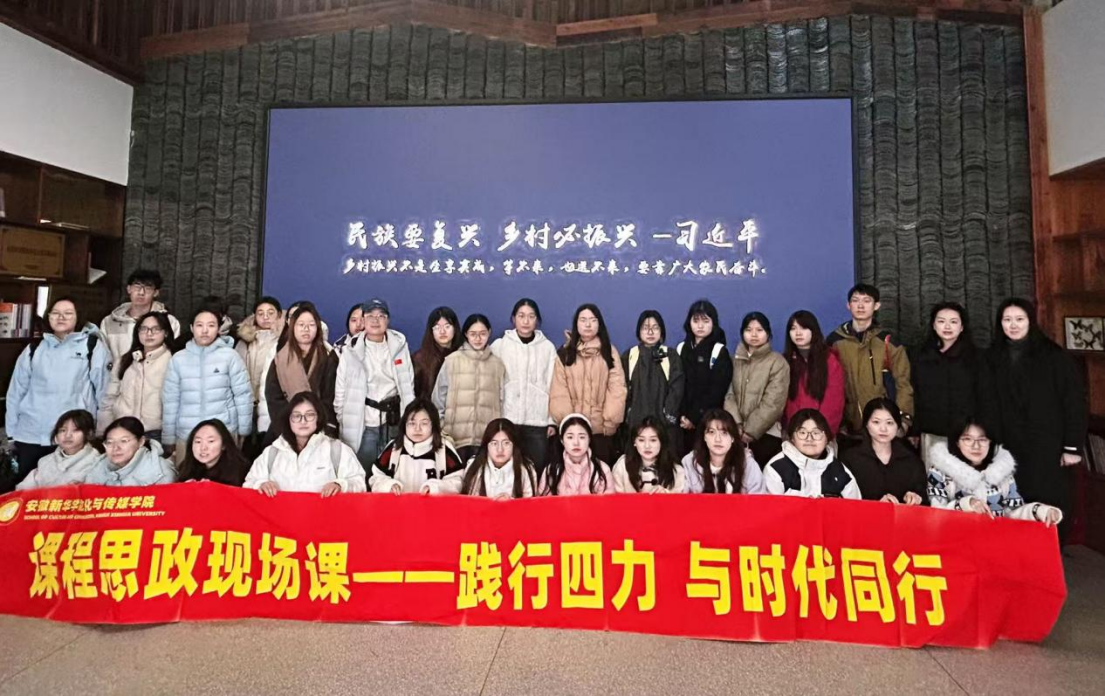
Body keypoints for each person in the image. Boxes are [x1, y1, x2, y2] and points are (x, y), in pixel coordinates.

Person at [978, 298, 1087, 537]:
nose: (1013, 325)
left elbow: (1073, 402)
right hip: (1006, 443)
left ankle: (1051, 550)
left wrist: (1072, 446)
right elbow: (984, 401)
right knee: (1012, 499)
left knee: (1048, 497)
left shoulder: (1053, 355)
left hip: (1046, 443)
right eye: (1007, 320)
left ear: (1030, 321)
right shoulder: (991, 356)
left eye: (1019, 319)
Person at [5, 297, 111, 482]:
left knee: (65, 492)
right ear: (48, 317)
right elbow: (16, 392)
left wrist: (100, 430)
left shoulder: (92, 347)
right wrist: (12, 432)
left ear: (78, 317)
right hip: (31, 433)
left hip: (72, 435)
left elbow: (104, 392)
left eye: (68, 313)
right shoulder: (34, 348)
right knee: (28, 489)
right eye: (55, 313)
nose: (61, 317)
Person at [927, 418, 1064, 526]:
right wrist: (966, 504)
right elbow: (936, 514)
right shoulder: (940, 471)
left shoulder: (1002, 473)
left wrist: (1039, 510)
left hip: (996, 543)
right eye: (967, 439)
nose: (976, 446)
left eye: (982, 439)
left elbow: (1013, 513)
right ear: (957, 442)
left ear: (990, 442)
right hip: (956, 543)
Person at [161, 306, 253, 464]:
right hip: (187, 434)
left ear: (218, 329)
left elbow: (243, 395)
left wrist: (244, 430)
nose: (205, 330)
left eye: (211, 325)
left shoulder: (230, 356)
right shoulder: (178, 359)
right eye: (199, 325)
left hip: (223, 432)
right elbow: (170, 400)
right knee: (189, 477)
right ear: (191, 328)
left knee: (224, 477)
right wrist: (169, 437)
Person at [827, 284, 913, 444]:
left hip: (884, 427)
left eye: (867, 301)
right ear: (848, 305)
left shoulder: (888, 342)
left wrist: (903, 420)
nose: (860, 306)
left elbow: (903, 384)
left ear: (876, 305)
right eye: (855, 300)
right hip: (847, 428)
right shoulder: (835, 341)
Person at [334, 298, 415, 467]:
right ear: (363, 320)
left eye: (381, 316)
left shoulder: (400, 346)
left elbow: (409, 384)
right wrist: (345, 419)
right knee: (362, 469)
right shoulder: (350, 350)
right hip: (364, 422)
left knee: (393, 468)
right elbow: (340, 391)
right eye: (370, 316)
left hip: (393, 421)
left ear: (388, 320)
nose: (375, 320)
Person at [98, 269, 181, 430]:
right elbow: (105, 357)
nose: (141, 292)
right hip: (120, 389)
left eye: (148, 288)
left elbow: (172, 355)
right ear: (128, 288)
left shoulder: (169, 322)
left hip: (154, 395)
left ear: (156, 292)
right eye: (137, 286)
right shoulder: (109, 322)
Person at [549, 304, 627, 466]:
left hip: (601, 431)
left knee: (601, 476)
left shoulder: (609, 352)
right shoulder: (564, 354)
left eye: (593, 320)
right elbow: (559, 392)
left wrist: (610, 422)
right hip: (572, 433)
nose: (588, 324)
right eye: (583, 320)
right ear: (576, 324)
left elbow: (617, 389)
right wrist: (569, 425)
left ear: (599, 324)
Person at [245, 391, 366, 496]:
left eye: (310, 415)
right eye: (296, 416)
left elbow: (359, 483)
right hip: (281, 516)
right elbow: (248, 485)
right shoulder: (272, 452)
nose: (303, 421)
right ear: (289, 419)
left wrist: (341, 485)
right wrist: (260, 485)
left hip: (324, 516)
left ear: (319, 417)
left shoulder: (337, 450)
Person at [491, 298, 558, 470]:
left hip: (538, 422)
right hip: (508, 419)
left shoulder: (547, 348)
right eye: (521, 316)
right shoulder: (500, 345)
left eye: (531, 316)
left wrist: (551, 420)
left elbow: (553, 384)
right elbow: (493, 383)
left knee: (537, 469)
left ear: (537, 320)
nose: (526, 321)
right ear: (514, 319)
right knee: (509, 470)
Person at [432, 314, 507, 463]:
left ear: (489, 333)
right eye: (473, 334)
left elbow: (503, 400)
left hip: (486, 440)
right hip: (454, 439)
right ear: (466, 334)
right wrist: (442, 429)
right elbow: (438, 399)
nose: (478, 339)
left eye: (482, 334)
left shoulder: (497, 364)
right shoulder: (452, 361)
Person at [910, 302, 978, 458]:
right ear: (934, 325)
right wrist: (914, 429)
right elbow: (916, 395)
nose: (947, 326)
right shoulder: (920, 357)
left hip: (968, 434)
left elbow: (984, 397)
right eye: (941, 321)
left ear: (962, 327)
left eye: (953, 322)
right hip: (931, 432)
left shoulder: (977, 359)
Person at [724, 311, 789, 466]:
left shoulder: (778, 362)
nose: (754, 334)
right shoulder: (734, 360)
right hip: (735, 434)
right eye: (748, 330)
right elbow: (729, 394)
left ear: (768, 333)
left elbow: (774, 402)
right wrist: (737, 425)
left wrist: (751, 431)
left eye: (759, 330)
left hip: (766, 434)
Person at [264, 304, 338, 435]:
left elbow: (331, 396)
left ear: (318, 328)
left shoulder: (328, 356)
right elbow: (273, 396)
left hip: (320, 426)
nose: (306, 329)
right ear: (292, 327)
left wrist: (314, 421)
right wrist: (294, 421)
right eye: (301, 324)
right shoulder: (281, 358)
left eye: (311, 325)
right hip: (286, 425)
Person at [843, 397, 928, 505]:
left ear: (898, 426)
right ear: (866, 424)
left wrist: (916, 497)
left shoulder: (912, 461)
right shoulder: (850, 459)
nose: (883, 429)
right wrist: (876, 505)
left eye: (889, 423)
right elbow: (845, 502)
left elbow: (924, 499)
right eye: (876, 422)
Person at [427, 418, 538, 498]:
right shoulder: (475, 467)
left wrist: (510, 504)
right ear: (487, 445)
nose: (500, 449)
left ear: (514, 445)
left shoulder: (526, 469)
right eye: (494, 443)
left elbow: (530, 508)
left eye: (506, 443)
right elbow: (471, 504)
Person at [371, 398, 464, 494]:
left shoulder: (444, 449)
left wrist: (435, 488)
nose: (417, 429)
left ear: (433, 425)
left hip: (432, 504)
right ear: (404, 425)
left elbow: (457, 481)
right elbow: (375, 477)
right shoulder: (394, 448)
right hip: (399, 504)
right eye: (412, 423)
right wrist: (388, 485)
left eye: (424, 423)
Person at [109, 311, 177, 444]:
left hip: (155, 432)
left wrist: (170, 438)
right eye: (144, 329)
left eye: (156, 329)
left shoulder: (173, 361)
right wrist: (104, 429)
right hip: (123, 430)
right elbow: (110, 396)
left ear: (166, 333)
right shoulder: (125, 360)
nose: (149, 333)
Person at [762, 408, 861, 498]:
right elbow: (769, 509)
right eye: (802, 433)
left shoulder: (840, 472)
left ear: (827, 438)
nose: (809, 438)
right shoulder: (776, 469)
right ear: (792, 438)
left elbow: (855, 508)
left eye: (816, 433)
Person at [677, 299, 733, 456]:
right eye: (696, 321)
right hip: (681, 423)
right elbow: (676, 385)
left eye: (705, 321)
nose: (700, 326)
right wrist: (681, 415)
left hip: (708, 422)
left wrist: (694, 418)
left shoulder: (719, 351)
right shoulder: (681, 348)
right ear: (689, 323)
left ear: (713, 323)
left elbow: (717, 390)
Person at [621, 310, 684, 450]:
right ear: (639, 331)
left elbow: (677, 387)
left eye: (655, 328)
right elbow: (622, 387)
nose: (650, 332)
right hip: (635, 421)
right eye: (645, 328)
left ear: (661, 331)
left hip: (664, 423)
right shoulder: (629, 355)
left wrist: (668, 414)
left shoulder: (670, 355)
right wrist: (628, 414)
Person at [783, 310, 845, 438]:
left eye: (804, 328)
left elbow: (833, 403)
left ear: (814, 331)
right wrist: (794, 432)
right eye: (793, 328)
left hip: (821, 434)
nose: (798, 333)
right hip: (793, 434)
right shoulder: (785, 362)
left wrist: (819, 434)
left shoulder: (829, 360)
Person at [235, 297, 285, 441]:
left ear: (279, 315)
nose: (265, 317)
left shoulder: (284, 341)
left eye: (270, 313)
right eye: (260, 313)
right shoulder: (245, 341)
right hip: (247, 402)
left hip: (271, 403)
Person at [682, 409, 765, 494]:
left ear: (733, 438)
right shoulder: (689, 462)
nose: (718, 439)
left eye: (724, 433)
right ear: (704, 437)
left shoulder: (748, 465)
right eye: (711, 432)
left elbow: (759, 499)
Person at [16, 410, 101, 490]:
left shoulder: (97, 463)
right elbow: (23, 489)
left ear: (89, 433)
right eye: (63, 430)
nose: (68, 435)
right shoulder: (45, 461)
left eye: (75, 430)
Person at [538, 413, 615, 496]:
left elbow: (608, 501)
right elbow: (544, 502)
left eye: (582, 437)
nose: (576, 443)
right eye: (570, 437)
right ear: (562, 440)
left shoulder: (602, 470)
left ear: (589, 439)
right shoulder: (551, 470)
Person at [85, 417, 175, 486]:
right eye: (109, 442)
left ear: (141, 442)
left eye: (124, 441)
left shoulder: (160, 472)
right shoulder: (97, 467)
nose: (116, 447)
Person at [612, 416, 685, 493]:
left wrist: (666, 494)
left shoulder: (676, 471)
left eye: (653, 440)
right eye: (641, 440)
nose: (647, 446)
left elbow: (682, 499)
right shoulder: (622, 466)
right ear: (634, 442)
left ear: (662, 442)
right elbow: (614, 498)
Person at [176, 419, 251, 486]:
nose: (203, 448)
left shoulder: (241, 470)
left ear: (223, 444)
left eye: (211, 441)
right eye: (198, 441)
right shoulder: (186, 467)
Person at [412, 306, 463, 399]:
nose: (442, 331)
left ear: (455, 328)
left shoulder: (464, 355)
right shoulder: (419, 359)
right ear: (431, 331)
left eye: (447, 326)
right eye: (437, 327)